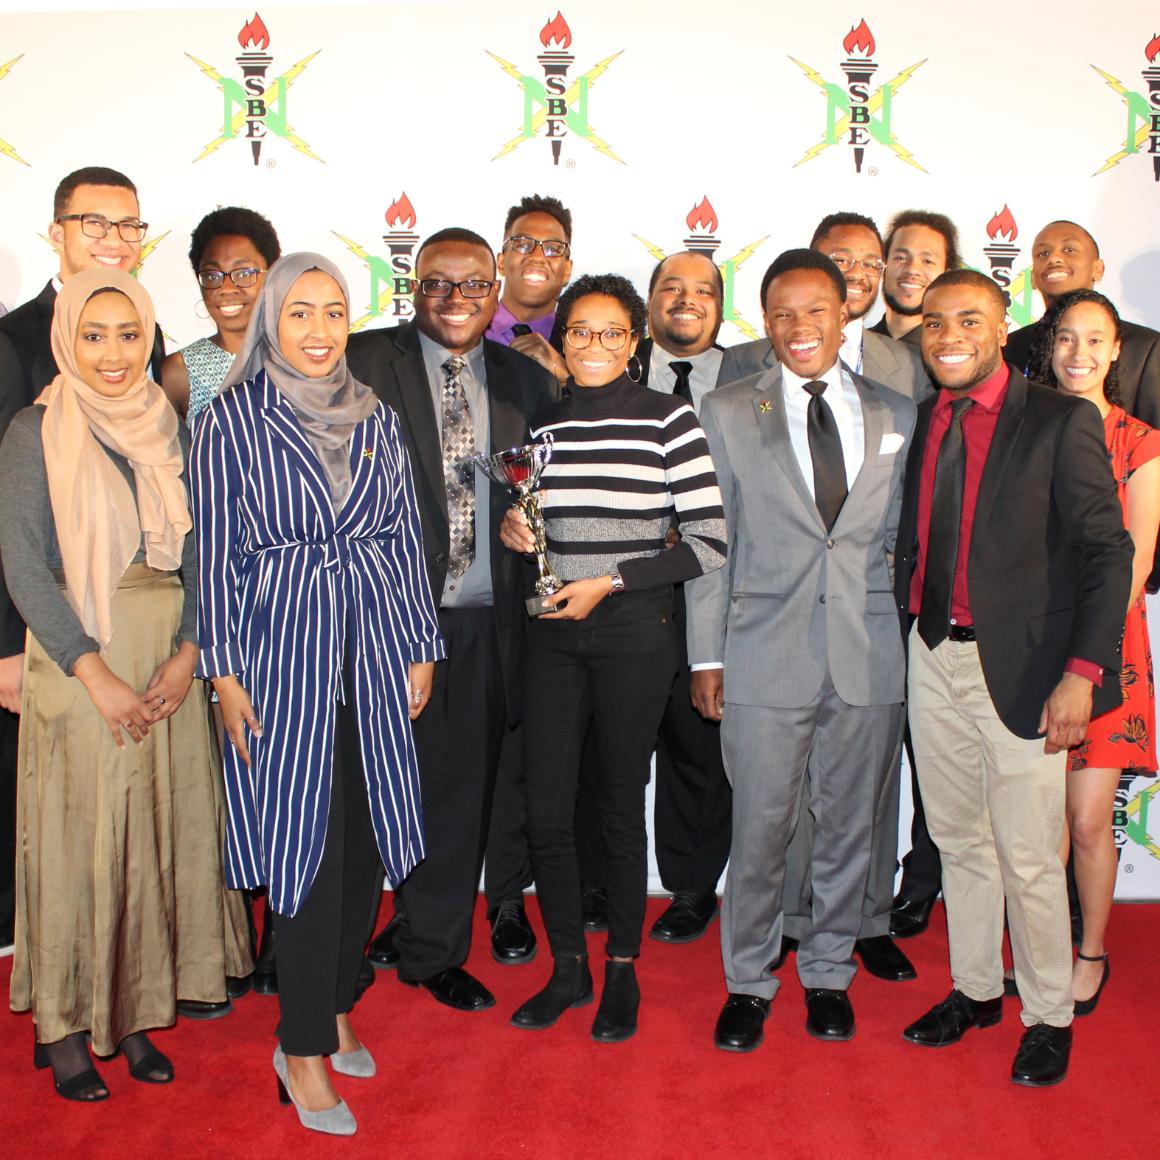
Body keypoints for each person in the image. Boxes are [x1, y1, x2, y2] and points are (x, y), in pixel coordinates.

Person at [191, 253, 443, 1136]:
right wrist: (220, 673)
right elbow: (213, 558)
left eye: (334, 312)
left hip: (373, 648)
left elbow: (404, 535)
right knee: (306, 848)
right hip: (278, 657)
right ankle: (298, 1047)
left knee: (366, 837)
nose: (319, 330)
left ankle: (337, 1004)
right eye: (299, 312)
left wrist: (420, 645)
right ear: (269, 318)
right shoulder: (230, 420)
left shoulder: (372, 413)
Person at [0, 269, 238, 1100]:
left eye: (128, 334)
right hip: (79, 658)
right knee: (77, 843)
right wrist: (90, 671)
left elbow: (206, 545)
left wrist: (189, 651)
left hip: (163, 653)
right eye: (93, 334)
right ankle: (64, 1025)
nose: (111, 353)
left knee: (151, 842)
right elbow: (25, 565)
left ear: (150, 339)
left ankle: (134, 1014)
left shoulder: (169, 426)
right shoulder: (35, 430)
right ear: (69, 336)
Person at [897, 270, 1132, 1087]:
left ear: (1003, 330)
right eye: (934, 323)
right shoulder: (926, 416)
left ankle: (1047, 1013)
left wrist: (1081, 673)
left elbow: (1110, 553)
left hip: (1029, 669)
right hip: (932, 654)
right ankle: (975, 988)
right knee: (959, 839)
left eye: (969, 320)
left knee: (1030, 855)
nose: (949, 335)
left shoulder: (1060, 420)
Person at [688, 249, 915, 1053]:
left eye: (815, 309)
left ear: (845, 312)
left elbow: (895, 541)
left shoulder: (895, 411)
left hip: (867, 654)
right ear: (765, 320)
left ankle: (827, 972)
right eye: (782, 313)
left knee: (851, 826)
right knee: (760, 829)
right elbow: (712, 543)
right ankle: (748, 981)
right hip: (759, 652)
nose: (799, 328)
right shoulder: (724, 408)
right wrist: (705, 658)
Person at [501, 273, 726, 1042]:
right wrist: (515, 532)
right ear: (561, 341)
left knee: (617, 803)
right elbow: (537, 520)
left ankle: (622, 969)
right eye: (579, 332)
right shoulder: (545, 426)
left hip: (635, 631)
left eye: (610, 333)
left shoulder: (671, 421)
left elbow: (708, 542)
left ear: (635, 343)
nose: (593, 346)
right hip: (554, 632)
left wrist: (610, 581)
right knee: (545, 807)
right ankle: (569, 964)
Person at [348, 228, 556, 1012]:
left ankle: (431, 949)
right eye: (439, 283)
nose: (457, 299)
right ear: (413, 288)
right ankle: (334, 945)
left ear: (495, 293)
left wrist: (533, 531)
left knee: (456, 794)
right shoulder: (363, 363)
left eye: (474, 286)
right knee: (360, 791)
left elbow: (547, 495)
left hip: (478, 621)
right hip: (375, 619)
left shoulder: (525, 384)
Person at [1026, 289, 1159, 1015]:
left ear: (1116, 352)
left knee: (1084, 821)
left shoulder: (1141, 441)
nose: (1079, 353)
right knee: (1036, 825)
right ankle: (1042, 950)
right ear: (1051, 347)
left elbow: (1133, 564)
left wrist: (1085, 655)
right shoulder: (1030, 429)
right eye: (1066, 338)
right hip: (1033, 641)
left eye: (1095, 339)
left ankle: (1091, 953)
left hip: (1108, 649)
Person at [482, 195, 575, 966]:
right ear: (500, 256)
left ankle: (524, 897)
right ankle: (464, 897)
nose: (537, 255)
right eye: (522, 242)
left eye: (552, 245)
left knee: (534, 747)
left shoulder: (588, 337)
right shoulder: (458, 332)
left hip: (550, 584)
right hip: (458, 585)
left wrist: (567, 379)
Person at [630, 250, 732, 945]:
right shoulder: (609, 369)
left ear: (722, 307)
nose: (686, 300)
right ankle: (609, 884)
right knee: (615, 752)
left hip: (720, 597)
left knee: (701, 755)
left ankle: (693, 888)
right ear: (649, 305)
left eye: (702, 291)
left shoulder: (756, 379)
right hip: (626, 600)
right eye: (671, 288)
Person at [1005, 221, 1160, 428]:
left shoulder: (1146, 348)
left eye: (1069, 250)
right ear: (1032, 277)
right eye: (1043, 254)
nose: (1054, 258)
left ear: (1098, 269)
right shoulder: (1012, 346)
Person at [161, 206, 281, 424]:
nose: (226, 288)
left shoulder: (297, 356)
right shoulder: (179, 372)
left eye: (244, 273)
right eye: (212, 275)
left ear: (272, 273)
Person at [486, 193, 573, 386]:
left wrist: (564, 375)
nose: (537, 256)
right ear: (501, 262)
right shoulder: (469, 330)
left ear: (567, 270)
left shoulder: (583, 343)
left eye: (552, 249)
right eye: (523, 245)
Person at [867, 210, 960, 346]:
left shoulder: (955, 352)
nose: (912, 269)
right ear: (883, 264)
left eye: (928, 261)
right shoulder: (853, 349)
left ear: (947, 274)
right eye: (901, 258)